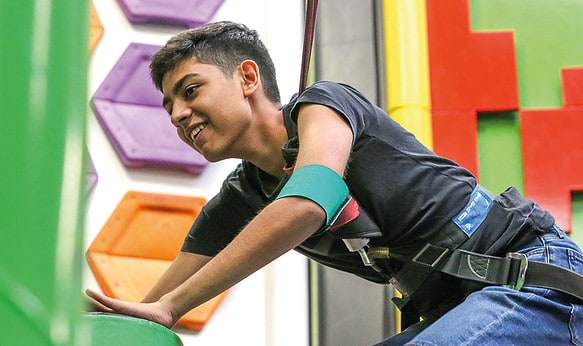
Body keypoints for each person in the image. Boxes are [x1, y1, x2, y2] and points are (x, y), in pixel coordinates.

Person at [86, 21, 583, 345]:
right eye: (170, 105)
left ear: (247, 77)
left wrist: (171, 307)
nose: (178, 114)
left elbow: (310, 201)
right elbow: (147, 310)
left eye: (190, 91)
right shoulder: (242, 198)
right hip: (453, 309)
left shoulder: (322, 105)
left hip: (529, 279)